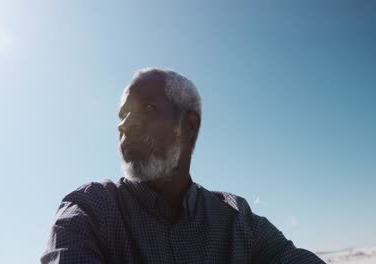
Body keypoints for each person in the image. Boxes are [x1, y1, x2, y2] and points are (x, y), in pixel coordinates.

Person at [41, 68, 325, 263]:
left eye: (148, 108)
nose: (125, 124)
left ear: (189, 125)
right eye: (123, 115)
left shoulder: (236, 219)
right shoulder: (90, 210)